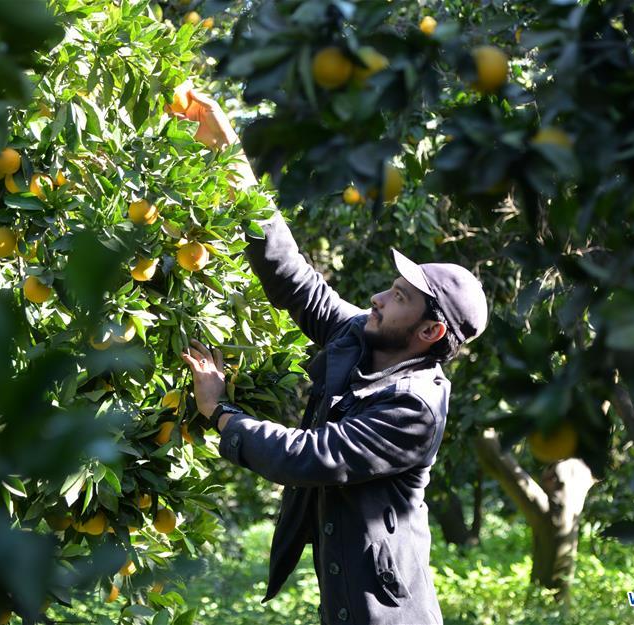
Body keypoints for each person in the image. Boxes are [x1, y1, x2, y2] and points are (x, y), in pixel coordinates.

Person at [173, 88, 489, 625]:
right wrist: (232, 165)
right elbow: (297, 282)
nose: (378, 299)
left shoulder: (415, 407)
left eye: (399, 298)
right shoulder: (362, 338)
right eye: (390, 287)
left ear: (431, 331)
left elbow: (312, 457)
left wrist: (220, 412)